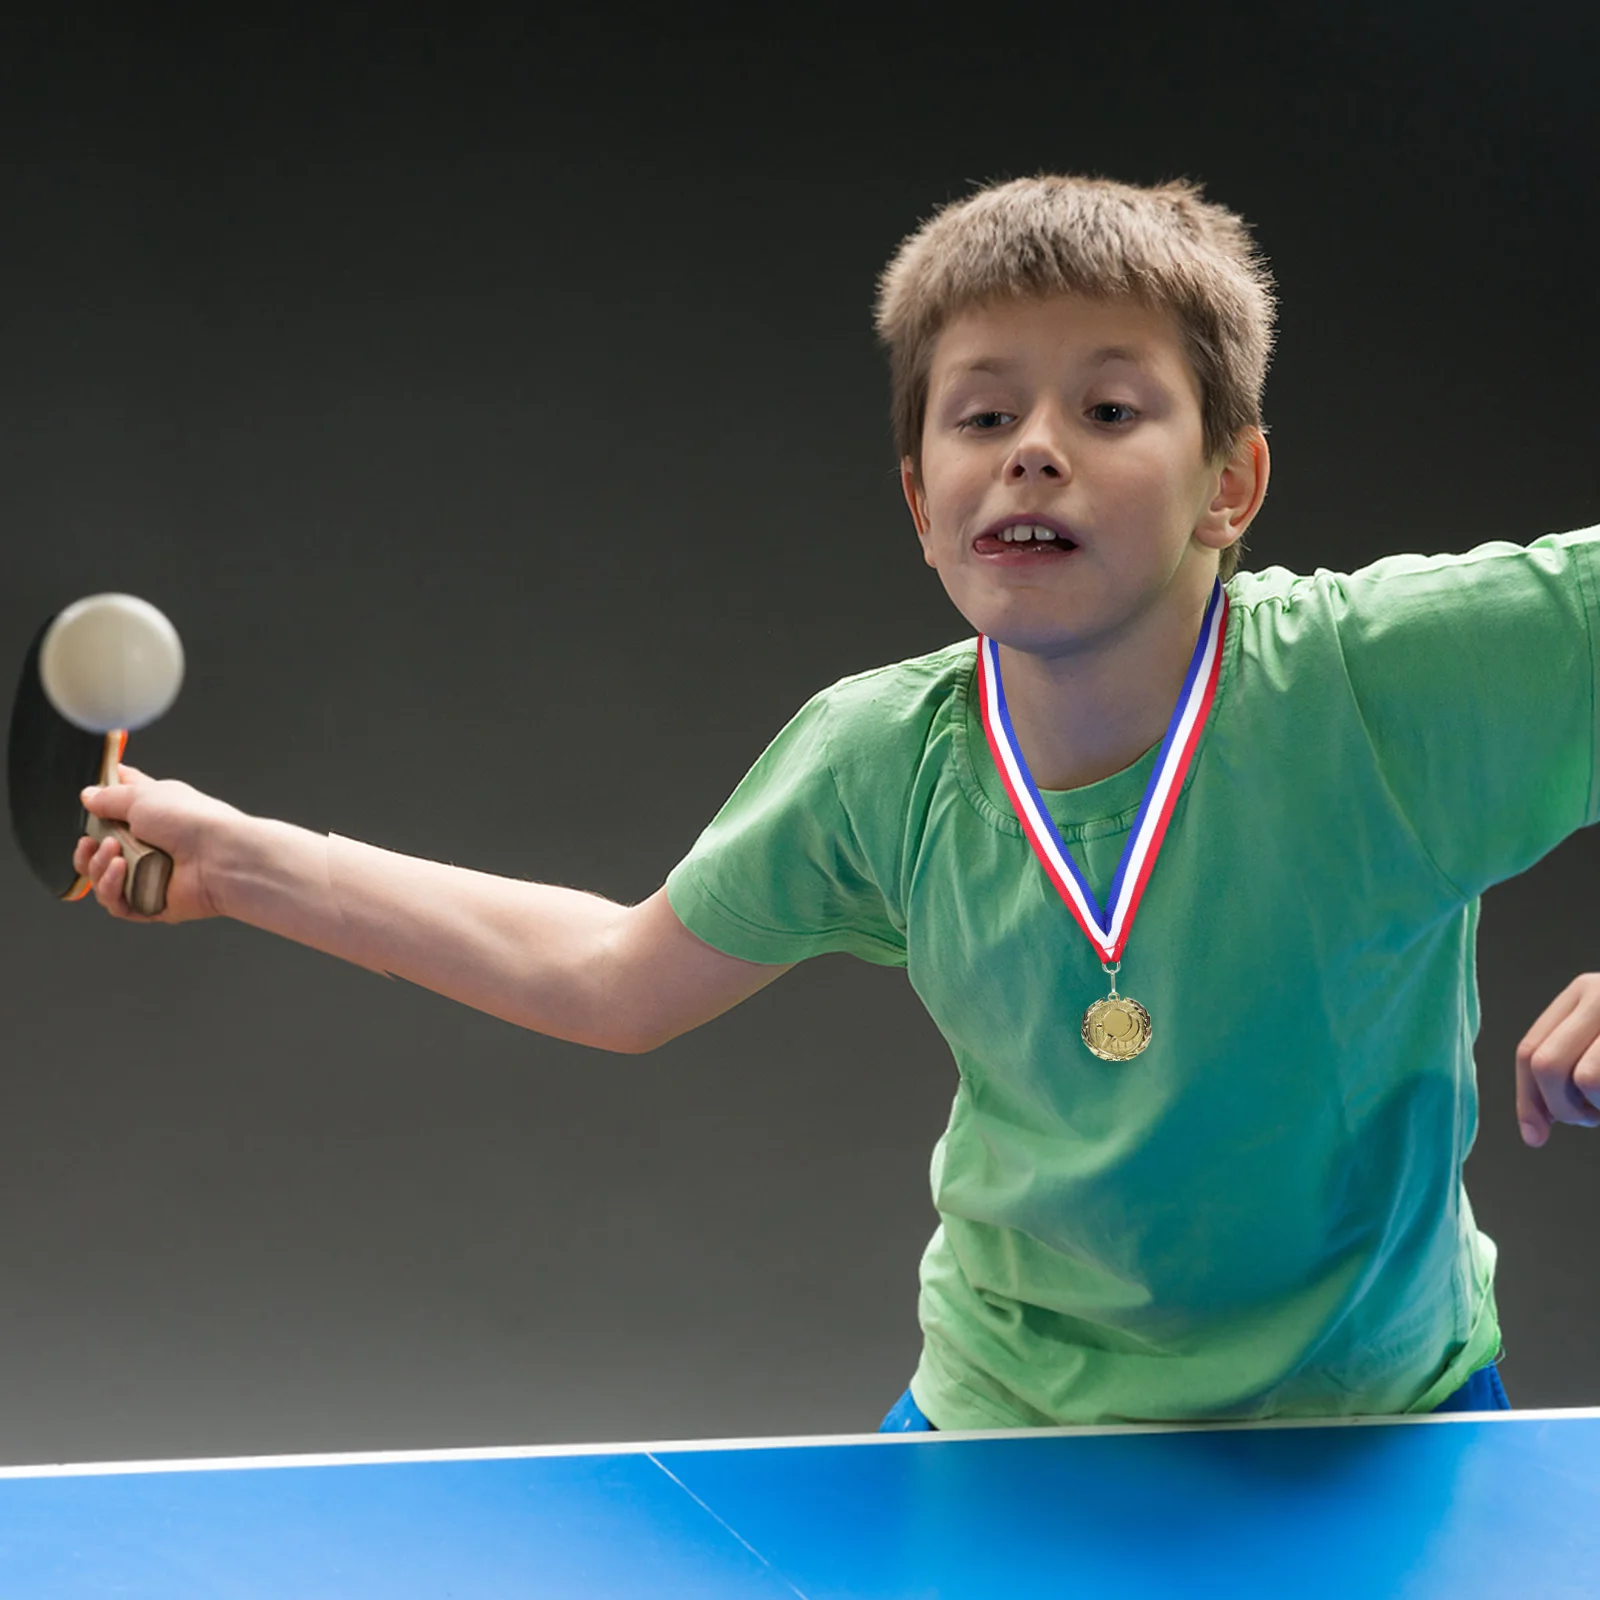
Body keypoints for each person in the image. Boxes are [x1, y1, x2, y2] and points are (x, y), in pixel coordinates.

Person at [76, 175, 1599, 1433]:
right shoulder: (882, 758)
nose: (1036, 449)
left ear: (1232, 483)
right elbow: (612, 977)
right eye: (982, 417)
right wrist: (249, 862)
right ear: (922, 505)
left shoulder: (1382, 680)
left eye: (1110, 408)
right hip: (1005, 1426)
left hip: (1373, 1426)